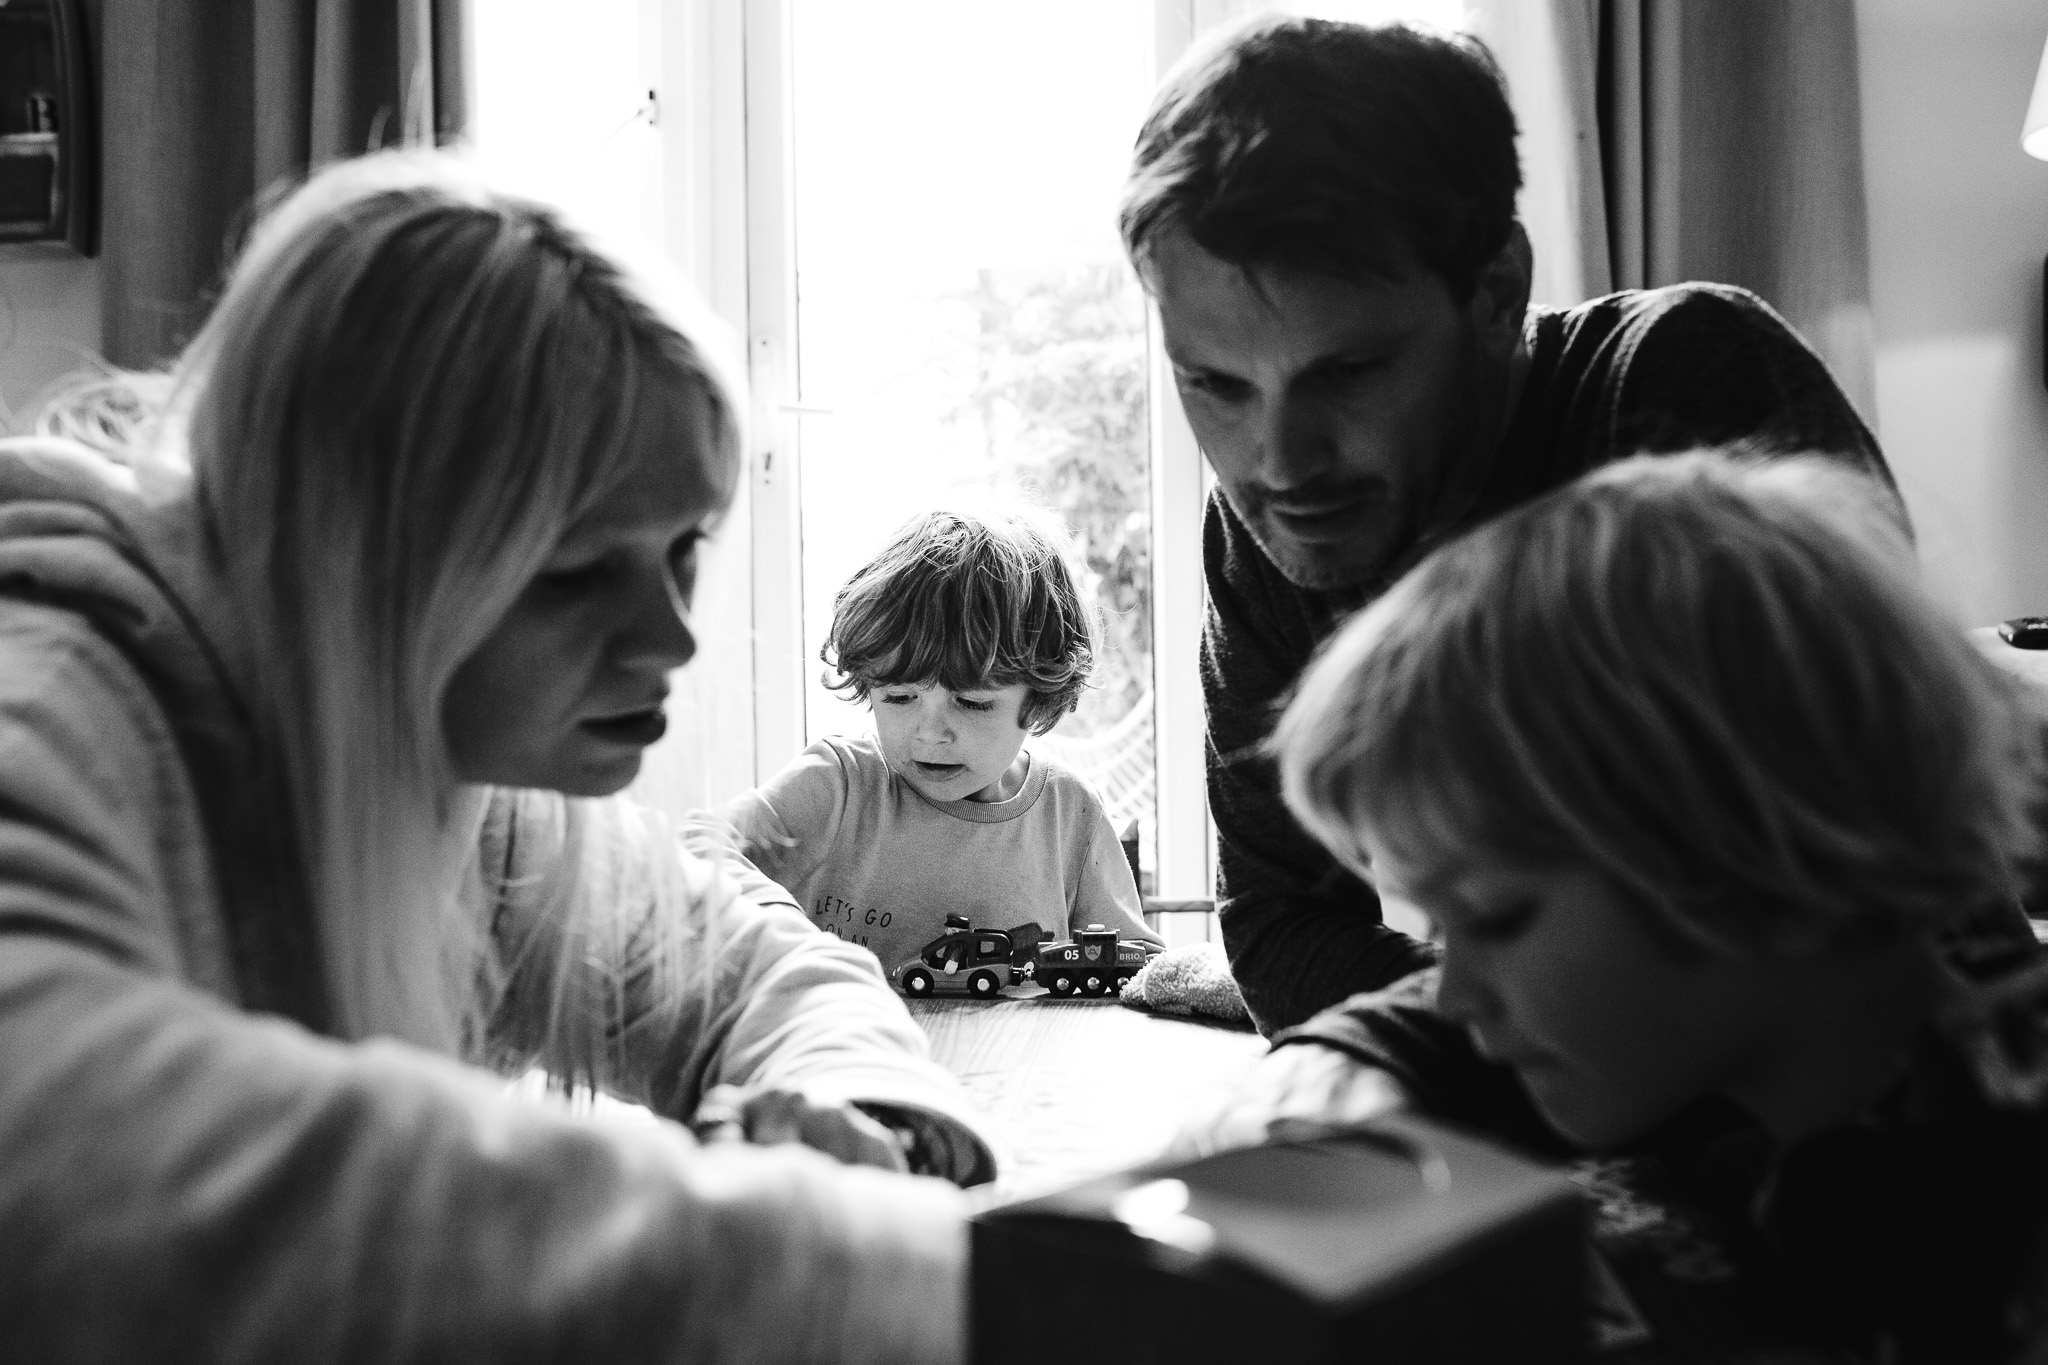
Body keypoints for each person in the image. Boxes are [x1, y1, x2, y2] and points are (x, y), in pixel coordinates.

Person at [0, 151, 995, 1364]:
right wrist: (844, 1272)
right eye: (577, 572)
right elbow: (69, 1158)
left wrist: (857, 1123)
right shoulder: (51, 706)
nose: (672, 637)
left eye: (682, 547)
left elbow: (753, 967)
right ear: (355, 557)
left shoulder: (467, 776)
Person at [1117, 14, 1898, 1033]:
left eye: (1347, 372)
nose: (1278, 463)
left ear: (1495, 289)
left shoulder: (1682, 391)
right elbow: (1279, 937)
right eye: (1213, 383)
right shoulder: (1262, 531)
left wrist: (1420, 1016)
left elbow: (1793, 922)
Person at [1198, 451, 2048, 1362]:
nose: (1450, 997)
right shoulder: (1740, 1143)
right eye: (1440, 932)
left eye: (1495, 919)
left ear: (1765, 851)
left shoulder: (2003, 1206)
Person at [725, 508, 1159, 980]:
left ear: (1038, 700)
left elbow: (1137, 967)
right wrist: (783, 931)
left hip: (1014, 1056)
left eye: (971, 703)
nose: (930, 733)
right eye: (900, 697)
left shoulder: (1068, 813)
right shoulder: (838, 786)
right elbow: (699, 853)